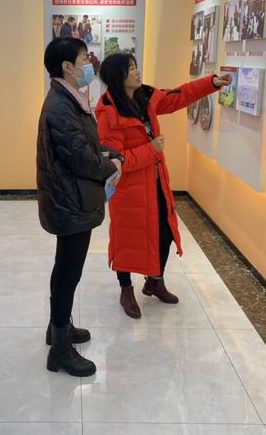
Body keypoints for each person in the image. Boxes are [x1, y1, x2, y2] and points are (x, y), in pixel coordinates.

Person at [96, 53, 230, 319]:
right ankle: (126, 289)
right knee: (126, 239)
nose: (137, 72)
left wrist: (211, 83)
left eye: (135, 67)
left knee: (165, 232)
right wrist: (152, 149)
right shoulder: (107, 113)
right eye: (131, 69)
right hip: (128, 189)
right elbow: (115, 162)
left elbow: (179, 96)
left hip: (156, 182)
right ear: (117, 76)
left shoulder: (145, 98)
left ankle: (155, 281)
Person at [37, 37, 122, 377]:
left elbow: (84, 145)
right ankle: (59, 350)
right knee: (68, 272)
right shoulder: (61, 106)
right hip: (70, 200)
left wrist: (105, 153)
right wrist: (113, 164)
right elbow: (81, 158)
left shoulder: (70, 98)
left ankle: (58, 327)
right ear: (67, 67)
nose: (90, 64)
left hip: (72, 197)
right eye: (85, 59)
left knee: (66, 269)